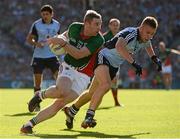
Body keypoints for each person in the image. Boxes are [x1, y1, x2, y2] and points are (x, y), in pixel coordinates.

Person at [64, 16, 162, 129]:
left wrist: (155, 58)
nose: (149, 36)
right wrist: (133, 63)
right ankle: (89, 116)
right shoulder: (131, 33)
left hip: (113, 65)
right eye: (148, 32)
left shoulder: (145, 39)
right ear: (141, 27)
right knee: (106, 85)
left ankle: (71, 111)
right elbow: (119, 46)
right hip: (103, 56)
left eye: (152, 34)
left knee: (92, 93)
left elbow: (148, 45)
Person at [20, 10, 104, 134]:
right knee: (61, 90)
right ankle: (40, 95)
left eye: (100, 24)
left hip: (84, 75)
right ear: (86, 23)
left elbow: (79, 55)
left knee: (60, 103)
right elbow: (64, 35)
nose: (99, 27)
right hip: (68, 66)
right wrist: (59, 39)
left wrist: (63, 43)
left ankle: (28, 124)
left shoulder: (98, 39)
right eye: (96, 24)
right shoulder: (75, 27)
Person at [26, 5, 61, 111]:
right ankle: (36, 104)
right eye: (43, 14)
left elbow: (59, 38)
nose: (45, 16)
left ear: (51, 14)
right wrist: (36, 43)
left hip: (52, 56)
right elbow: (29, 39)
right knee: (37, 82)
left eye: (47, 14)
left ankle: (60, 102)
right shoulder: (36, 24)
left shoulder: (57, 24)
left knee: (59, 79)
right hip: (39, 56)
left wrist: (58, 45)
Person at [103, 18, 122, 106]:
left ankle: (116, 102)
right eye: (113, 25)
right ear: (109, 26)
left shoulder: (121, 36)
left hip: (116, 61)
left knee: (114, 82)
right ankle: (94, 99)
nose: (115, 27)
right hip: (106, 62)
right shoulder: (105, 37)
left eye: (117, 25)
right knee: (104, 82)